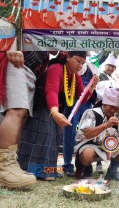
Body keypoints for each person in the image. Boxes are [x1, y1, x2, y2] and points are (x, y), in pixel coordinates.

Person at [17, 52, 99, 180]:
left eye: (83, 63)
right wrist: (54, 112)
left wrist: (92, 87)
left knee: (55, 139)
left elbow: (81, 99)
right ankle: (29, 170)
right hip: (42, 107)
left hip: (56, 109)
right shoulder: (56, 68)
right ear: (68, 57)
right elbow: (51, 91)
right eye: (77, 61)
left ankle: (48, 171)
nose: (80, 65)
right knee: (44, 136)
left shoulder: (75, 77)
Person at [0, 52, 52, 188]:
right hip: (15, 60)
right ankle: (4, 168)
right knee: (17, 110)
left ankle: (9, 164)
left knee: (21, 115)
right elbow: (6, 29)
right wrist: (11, 45)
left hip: (30, 69)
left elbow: (53, 48)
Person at [74, 88, 119, 181]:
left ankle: (112, 172)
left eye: (116, 108)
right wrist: (106, 125)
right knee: (88, 153)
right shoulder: (91, 113)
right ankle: (85, 169)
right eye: (111, 107)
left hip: (106, 147)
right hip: (88, 145)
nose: (113, 110)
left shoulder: (118, 117)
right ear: (104, 104)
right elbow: (87, 134)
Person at [62, 62, 97, 177]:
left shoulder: (93, 66)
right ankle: (67, 165)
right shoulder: (73, 62)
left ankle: (82, 166)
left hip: (87, 105)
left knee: (85, 135)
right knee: (70, 134)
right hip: (73, 103)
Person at [95, 53, 119, 173]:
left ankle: (105, 161)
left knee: (108, 134)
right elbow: (95, 91)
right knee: (98, 133)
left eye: (113, 67)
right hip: (100, 107)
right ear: (105, 65)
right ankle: (97, 162)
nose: (111, 68)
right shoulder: (99, 75)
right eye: (109, 65)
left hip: (111, 110)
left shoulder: (114, 80)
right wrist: (106, 98)